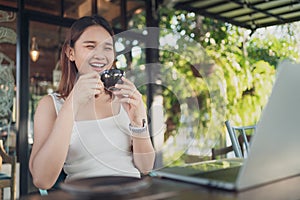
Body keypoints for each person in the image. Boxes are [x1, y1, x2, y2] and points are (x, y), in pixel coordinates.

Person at [29, 15, 155, 190]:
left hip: (131, 193)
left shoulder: (125, 99)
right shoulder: (51, 105)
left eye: (107, 48)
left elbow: (146, 167)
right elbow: (42, 180)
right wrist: (72, 103)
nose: (100, 55)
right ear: (70, 52)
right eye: (90, 46)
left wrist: (137, 119)